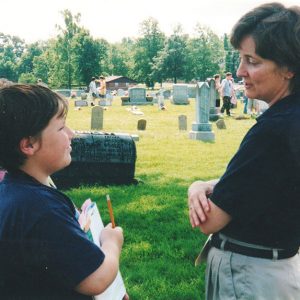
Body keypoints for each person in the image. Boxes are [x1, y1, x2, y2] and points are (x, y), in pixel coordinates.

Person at [188, 3, 300, 299]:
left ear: (289, 68)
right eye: (241, 58)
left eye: (252, 60)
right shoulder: (292, 119)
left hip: (249, 275)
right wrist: (214, 185)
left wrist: (196, 187)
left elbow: (210, 221)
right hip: (278, 268)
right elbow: (267, 182)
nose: (240, 71)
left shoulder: (271, 130)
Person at [0, 84, 128, 299]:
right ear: (29, 144)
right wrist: (112, 242)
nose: (72, 134)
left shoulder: (16, 192)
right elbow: (95, 279)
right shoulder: (41, 208)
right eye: (61, 128)